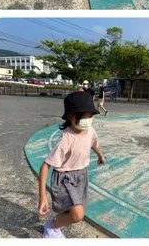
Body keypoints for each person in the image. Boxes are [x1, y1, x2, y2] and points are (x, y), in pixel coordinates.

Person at [38, 91, 106, 238]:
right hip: (65, 178)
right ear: (71, 116)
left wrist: (100, 155)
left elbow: (94, 144)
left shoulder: (90, 131)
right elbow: (45, 166)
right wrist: (42, 196)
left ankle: (57, 221)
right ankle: (51, 226)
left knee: (74, 210)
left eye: (91, 115)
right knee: (77, 215)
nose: (88, 120)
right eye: (84, 116)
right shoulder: (67, 139)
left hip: (81, 175)